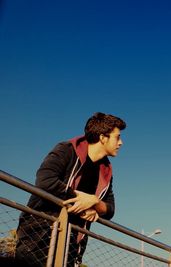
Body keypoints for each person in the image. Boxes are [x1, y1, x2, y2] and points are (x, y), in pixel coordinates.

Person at [15, 112, 126, 266]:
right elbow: (45, 181)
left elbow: (110, 209)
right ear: (102, 137)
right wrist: (81, 201)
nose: (121, 143)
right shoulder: (66, 149)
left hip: (71, 244)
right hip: (38, 235)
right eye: (117, 137)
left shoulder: (105, 171)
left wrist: (94, 202)